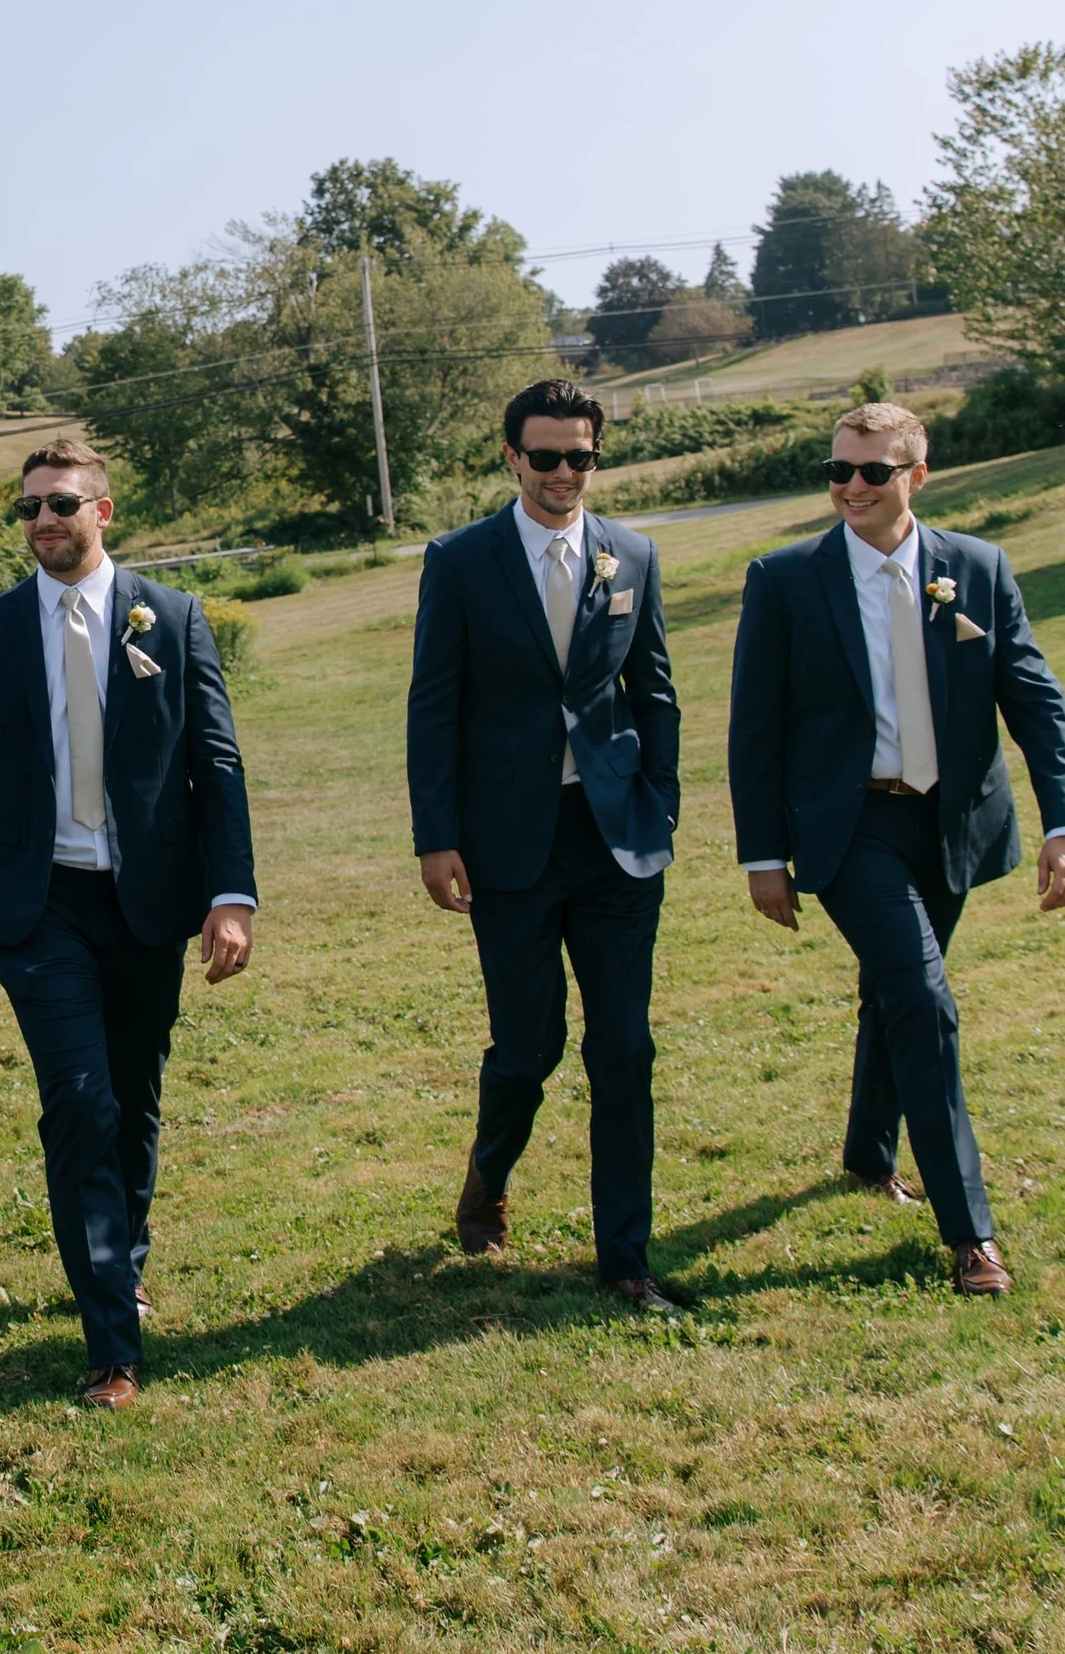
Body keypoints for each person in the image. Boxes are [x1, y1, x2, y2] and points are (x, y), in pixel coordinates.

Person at [729, 398, 1065, 1294]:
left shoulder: (979, 570)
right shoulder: (785, 579)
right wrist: (763, 855)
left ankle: (867, 1150)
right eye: (839, 470)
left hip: (953, 823)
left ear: (917, 476)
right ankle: (972, 1234)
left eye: (873, 472)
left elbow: (1032, 699)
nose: (851, 487)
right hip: (852, 828)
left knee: (897, 993)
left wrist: (1062, 818)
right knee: (923, 998)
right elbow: (754, 730)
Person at [0, 434, 255, 1403]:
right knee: (79, 1105)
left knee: (134, 1099)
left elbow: (216, 763)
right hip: (41, 910)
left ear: (102, 513)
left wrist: (231, 893)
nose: (44, 520)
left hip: (143, 903)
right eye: (30, 507)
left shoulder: (169, 619)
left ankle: (122, 1252)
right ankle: (112, 1343)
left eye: (62, 504)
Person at [406, 378, 681, 1314]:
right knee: (528, 1045)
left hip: (615, 840)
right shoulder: (460, 560)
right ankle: (488, 1177)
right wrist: (436, 839)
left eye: (583, 456)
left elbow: (657, 693)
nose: (567, 472)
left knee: (626, 1049)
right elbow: (433, 705)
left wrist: (663, 808)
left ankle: (626, 1260)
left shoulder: (632, 553)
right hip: (506, 845)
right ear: (513, 456)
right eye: (548, 455)